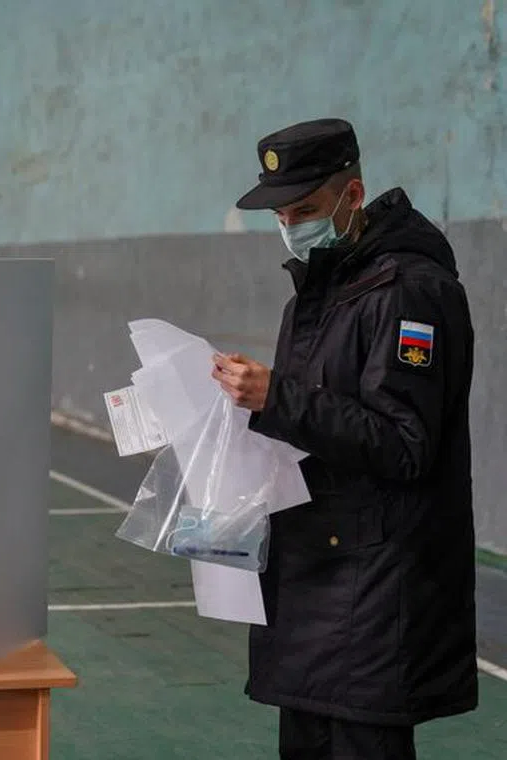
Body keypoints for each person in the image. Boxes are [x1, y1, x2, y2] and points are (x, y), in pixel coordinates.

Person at [212, 118, 478, 759]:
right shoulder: (318, 292)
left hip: (374, 590)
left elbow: (405, 443)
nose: (290, 224)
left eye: (305, 209)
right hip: (316, 575)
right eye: (280, 212)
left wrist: (277, 397)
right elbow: (313, 426)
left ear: (352, 196)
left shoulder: (411, 292)